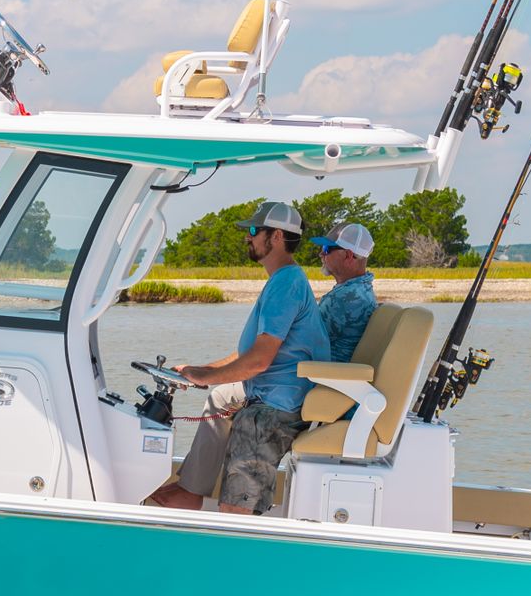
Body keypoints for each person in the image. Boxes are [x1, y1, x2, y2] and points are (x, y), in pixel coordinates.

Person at [144, 200, 329, 514]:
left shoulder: (286, 285)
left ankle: (237, 511)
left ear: (278, 238)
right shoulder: (281, 281)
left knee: (235, 507)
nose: (249, 237)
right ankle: (192, 489)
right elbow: (248, 353)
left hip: (277, 405)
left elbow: (258, 362)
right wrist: (199, 370)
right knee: (220, 396)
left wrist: (203, 376)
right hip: (269, 388)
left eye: (255, 231)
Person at [315, 222, 378, 363]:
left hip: (324, 376)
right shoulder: (363, 289)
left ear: (348, 255)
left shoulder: (344, 298)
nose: (321, 254)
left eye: (327, 248)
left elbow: (303, 339)